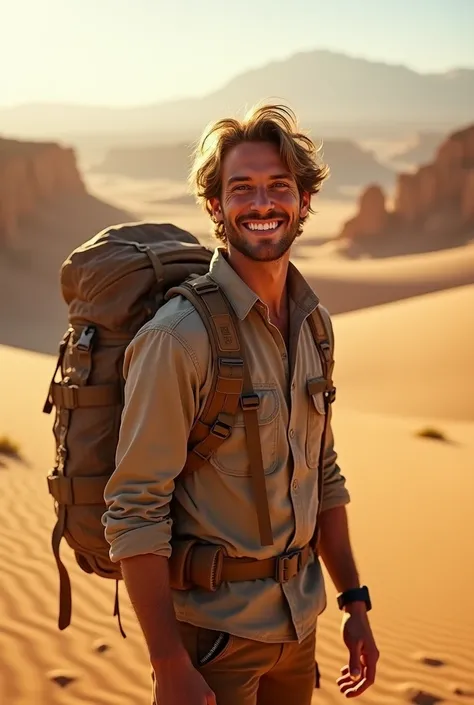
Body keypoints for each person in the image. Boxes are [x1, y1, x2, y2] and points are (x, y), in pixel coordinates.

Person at [102, 103, 379, 705]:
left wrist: (354, 602)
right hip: (212, 644)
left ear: (305, 201)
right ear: (215, 207)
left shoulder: (315, 325)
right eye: (241, 188)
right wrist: (168, 661)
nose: (262, 204)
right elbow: (134, 508)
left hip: (299, 630)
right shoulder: (179, 338)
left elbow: (323, 474)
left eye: (279, 186)